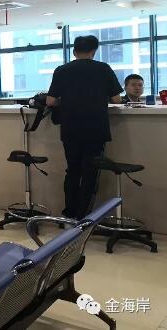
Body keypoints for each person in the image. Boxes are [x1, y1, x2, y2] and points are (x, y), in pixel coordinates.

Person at [47, 35, 123, 220]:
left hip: (70, 130)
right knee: (90, 174)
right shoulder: (103, 68)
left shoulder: (62, 70)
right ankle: (83, 218)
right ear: (94, 51)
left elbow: (50, 101)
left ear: (74, 51)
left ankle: (69, 215)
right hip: (95, 130)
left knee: (72, 171)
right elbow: (116, 99)